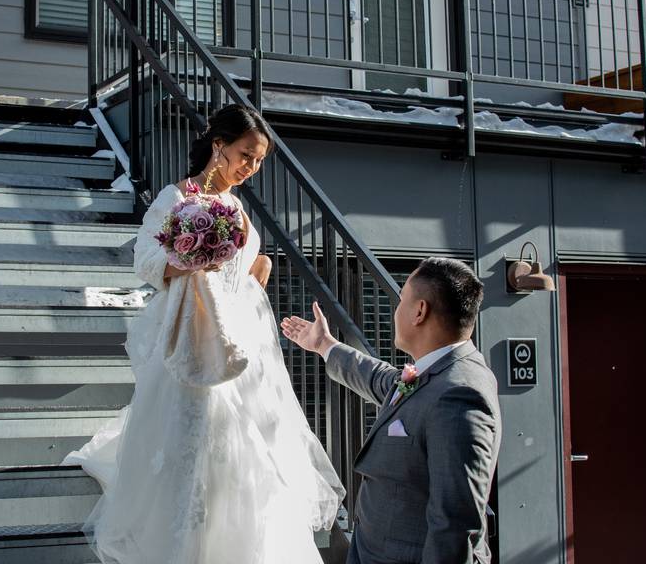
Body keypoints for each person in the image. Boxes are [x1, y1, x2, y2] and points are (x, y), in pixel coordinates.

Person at [63, 104, 345, 564]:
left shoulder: (235, 204)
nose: (251, 168)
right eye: (245, 155)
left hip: (243, 336)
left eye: (258, 161)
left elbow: (246, 264)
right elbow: (146, 262)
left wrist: (262, 265)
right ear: (219, 146)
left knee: (251, 453)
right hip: (197, 332)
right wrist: (193, 262)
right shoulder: (176, 198)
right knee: (202, 442)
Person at [281, 257, 502, 564]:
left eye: (401, 300)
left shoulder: (460, 393)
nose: (395, 310)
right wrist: (324, 345)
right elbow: (382, 378)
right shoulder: (437, 372)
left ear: (419, 311)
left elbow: (455, 522)